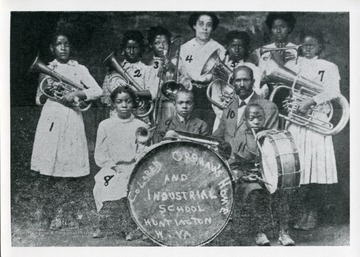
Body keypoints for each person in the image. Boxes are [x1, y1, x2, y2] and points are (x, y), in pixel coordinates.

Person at [31, 32, 102, 230]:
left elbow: (98, 91)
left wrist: (77, 93)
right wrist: (51, 90)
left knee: (69, 169)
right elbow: (39, 99)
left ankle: (66, 213)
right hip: (52, 118)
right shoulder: (47, 69)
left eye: (66, 44)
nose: (63, 48)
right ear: (52, 48)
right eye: (58, 45)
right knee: (50, 170)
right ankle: (48, 214)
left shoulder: (79, 68)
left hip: (71, 118)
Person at [285, 30, 343, 230]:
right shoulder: (292, 65)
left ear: (320, 47)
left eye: (312, 45)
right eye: (305, 45)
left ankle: (312, 214)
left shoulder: (328, 66)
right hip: (296, 122)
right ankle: (298, 213)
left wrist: (310, 101)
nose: (308, 48)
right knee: (298, 168)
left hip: (316, 121)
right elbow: (285, 89)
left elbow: (334, 91)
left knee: (315, 169)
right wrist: (289, 101)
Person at [228, 103, 295, 246]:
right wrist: (243, 176)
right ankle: (259, 232)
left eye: (259, 118)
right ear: (245, 120)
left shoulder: (269, 136)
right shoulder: (239, 139)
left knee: (281, 191)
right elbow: (233, 165)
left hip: (268, 176)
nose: (256, 121)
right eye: (252, 118)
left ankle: (283, 232)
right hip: (249, 178)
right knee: (255, 191)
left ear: (264, 118)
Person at [92, 86, 147, 240]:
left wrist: (134, 166)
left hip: (134, 168)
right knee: (105, 184)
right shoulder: (105, 125)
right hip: (112, 167)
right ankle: (102, 224)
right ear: (113, 104)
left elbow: (142, 151)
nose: (124, 105)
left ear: (134, 103)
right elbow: (100, 154)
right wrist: (115, 167)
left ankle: (130, 226)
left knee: (129, 186)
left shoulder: (140, 125)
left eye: (128, 101)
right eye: (119, 102)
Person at [179, 12, 226, 131]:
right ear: (194, 26)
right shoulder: (185, 48)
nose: (204, 28)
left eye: (209, 25)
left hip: (211, 93)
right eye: (201, 24)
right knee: (190, 129)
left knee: (209, 128)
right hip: (191, 92)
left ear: (212, 28)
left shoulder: (219, 48)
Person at [212, 30, 266, 132]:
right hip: (222, 117)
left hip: (245, 116)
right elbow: (214, 97)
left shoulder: (253, 68)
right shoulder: (219, 68)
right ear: (227, 47)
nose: (236, 49)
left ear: (246, 48)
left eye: (240, 46)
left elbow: (258, 93)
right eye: (233, 46)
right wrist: (223, 114)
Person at [101, 30, 155, 119]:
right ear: (123, 50)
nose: (131, 52)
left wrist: (130, 93)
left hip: (139, 116)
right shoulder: (113, 71)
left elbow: (153, 93)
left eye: (135, 48)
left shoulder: (148, 70)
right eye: (128, 48)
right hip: (116, 117)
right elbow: (105, 99)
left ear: (141, 49)